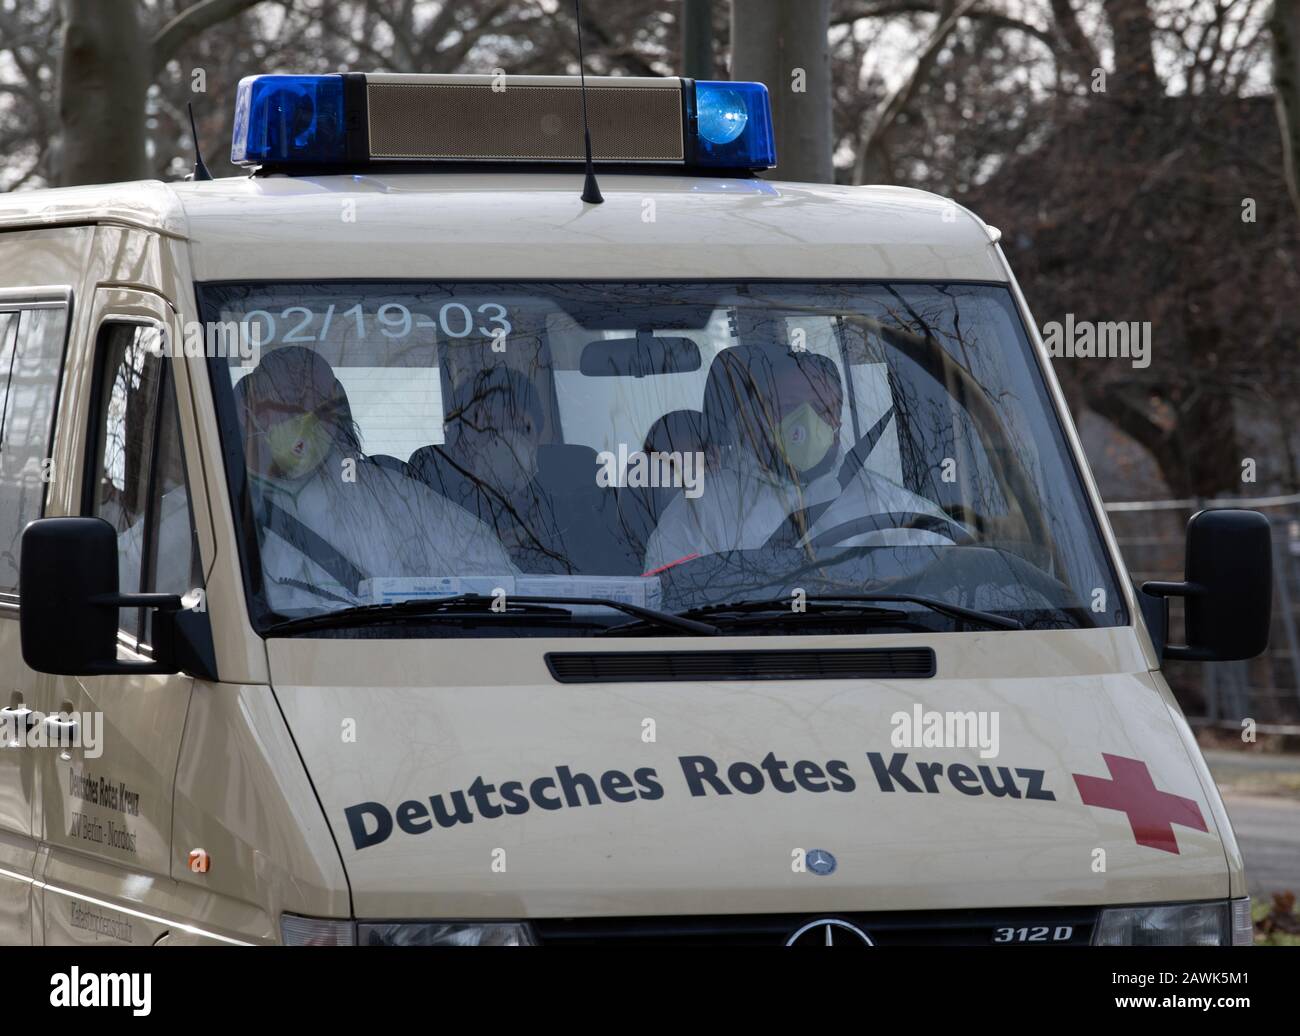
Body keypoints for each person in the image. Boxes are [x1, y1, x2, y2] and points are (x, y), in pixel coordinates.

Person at [235, 346, 516, 613]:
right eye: (288, 398)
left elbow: (493, 573)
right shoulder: (216, 500)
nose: (307, 413)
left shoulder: (392, 498)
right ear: (252, 412)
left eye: (319, 401)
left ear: (337, 412)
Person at [642, 344, 957, 572]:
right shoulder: (701, 511)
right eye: (789, 406)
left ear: (838, 421)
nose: (806, 420)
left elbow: (956, 579)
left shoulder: (891, 506)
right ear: (754, 418)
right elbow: (665, 607)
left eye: (822, 408)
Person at [410, 367, 570, 572]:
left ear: (539, 438)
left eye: (522, 429)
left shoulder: (566, 523)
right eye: (488, 428)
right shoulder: (430, 521)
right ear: (457, 444)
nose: (507, 441)